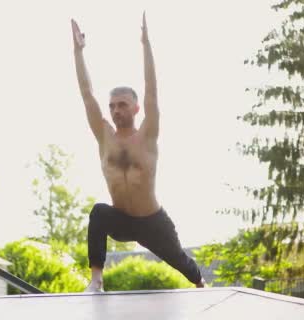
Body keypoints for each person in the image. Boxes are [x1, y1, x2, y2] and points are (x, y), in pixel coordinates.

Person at [71, 14, 206, 292]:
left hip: (152, 221)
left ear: (135, 108)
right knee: (98, 213)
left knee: (180, 261)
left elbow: (152, 91)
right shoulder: (104, 136)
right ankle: (97, 279)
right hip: (120, 221)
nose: (116, 110)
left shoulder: (147, 135)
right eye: (112, 106)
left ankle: (202, 284)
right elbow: (86, 93)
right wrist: (78, 52)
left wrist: (146, 44)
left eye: (122, 105)